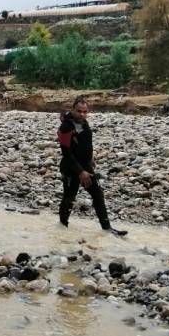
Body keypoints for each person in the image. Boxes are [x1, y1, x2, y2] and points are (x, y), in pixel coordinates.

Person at [57, 96, 127, 236]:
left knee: (97, 194)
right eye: (79, 111)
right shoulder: (65, 127)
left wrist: (91, 158)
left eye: (85, 111)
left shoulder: (84, 123)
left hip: (85, 165)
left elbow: (86, 143)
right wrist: (80, 172)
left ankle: (107, 228)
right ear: (73, 110)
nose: (82, 114)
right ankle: (62, 228)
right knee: (69, 197)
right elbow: (66, 153)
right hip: (71, 167)